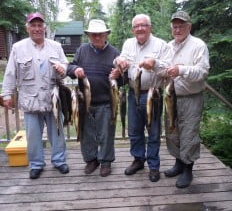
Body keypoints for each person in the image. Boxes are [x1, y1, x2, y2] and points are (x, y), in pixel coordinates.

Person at [1, 12, 69, 179]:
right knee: (32, 136)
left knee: (58, 132)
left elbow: (66, 67)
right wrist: (7, 94)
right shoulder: (18, 47)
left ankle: (59, 161)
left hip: (53, 100)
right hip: (30, 100)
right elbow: (10, 74)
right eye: (33, 25)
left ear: (44, 28)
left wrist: (63, 68)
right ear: (28, 28)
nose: (37, 29)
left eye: (40, 25)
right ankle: (36, 164)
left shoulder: (56, 46)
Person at [114, 14, 170, 182]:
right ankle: (138, 160)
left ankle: (153, 165)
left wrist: (156, 63)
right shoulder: (128, 44)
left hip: (153, 93)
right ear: (133, 29)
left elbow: (168, 68)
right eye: (137, 26)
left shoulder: (161, 45)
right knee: (134, 131)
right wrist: (119, 61)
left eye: (143, 25)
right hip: (133, 93)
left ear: (150, 27)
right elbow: (120, 60)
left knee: (153, 131)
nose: (140, 28)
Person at [67, 19, 120, 177]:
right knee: (87, 134)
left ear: (106, 34)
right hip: (84, 102)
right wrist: (75, 69)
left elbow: (123, 81)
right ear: (89, 35)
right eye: (93, 35)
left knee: (106, 134)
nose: (96, 37)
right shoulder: (82, 50)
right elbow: (69, 67)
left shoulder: (114, 53)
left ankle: (105, 162)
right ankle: (91, 160)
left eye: (99, 34)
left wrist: (118, 75)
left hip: (106, 101)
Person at [164, 11, 210, 188]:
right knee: (172, 131)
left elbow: (203, 72)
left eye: (181, 26)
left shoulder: (198, 45)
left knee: (189, 133)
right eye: (175, 26)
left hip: (191, 98)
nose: (177, 29)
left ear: (189, 27)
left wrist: (181, 70)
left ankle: (188, 169)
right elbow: (164, 68)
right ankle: (178, 163)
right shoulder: (168, 46)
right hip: (171, 97)